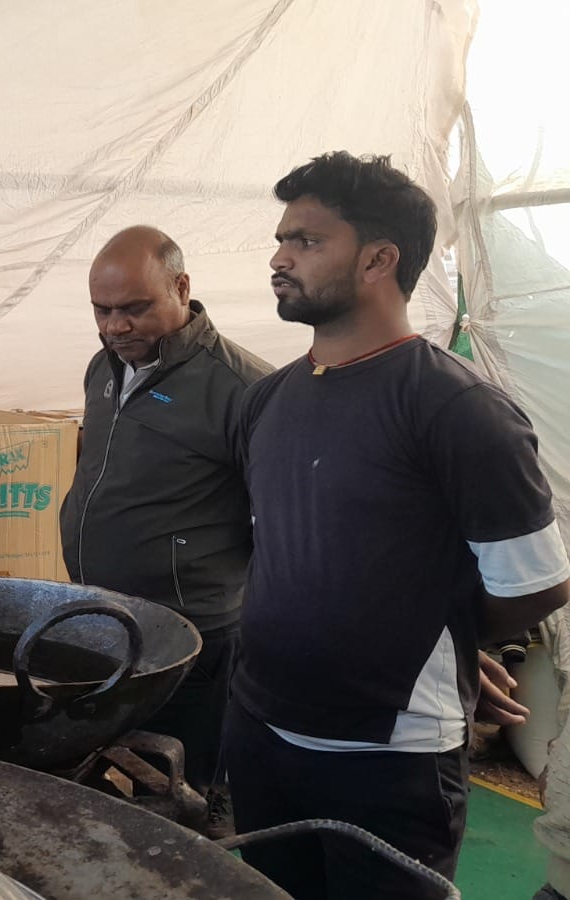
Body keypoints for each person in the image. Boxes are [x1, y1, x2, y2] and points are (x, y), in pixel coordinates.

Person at [228, 151, 570, 898]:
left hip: (388, 760)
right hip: (261, 732)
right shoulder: (269, 399)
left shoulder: (456, 408)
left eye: (307, 241)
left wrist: (439, 634)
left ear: (379, 259)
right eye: (282, 240)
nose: (280, 259)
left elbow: (538, 582)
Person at [59, 226, 272, 819]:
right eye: (101, 310)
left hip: (192, 634)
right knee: (115, 759)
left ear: (181, 288)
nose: (115, 326)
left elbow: (282, 525)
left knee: (185, 788)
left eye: (134, 308)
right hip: (105, 615)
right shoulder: (103, 369)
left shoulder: (243, 388)